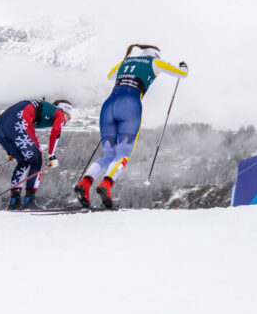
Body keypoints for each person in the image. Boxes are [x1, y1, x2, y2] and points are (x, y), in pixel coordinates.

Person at [75, 44, 188, 209]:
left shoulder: (127, 61)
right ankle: (106, 184)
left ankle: (85, 183)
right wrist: (183, 66)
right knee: (123, 153)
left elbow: (109, 76)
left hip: (108, 106)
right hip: (130, 104)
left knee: (108, 155)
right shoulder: (155, 62)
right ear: (156, 55)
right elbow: (182, 74)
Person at [0, 98, 72, 210]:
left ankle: (14, 201)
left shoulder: (47, 110)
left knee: (24, 161)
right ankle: (29, 201)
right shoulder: (59, 112)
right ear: (65, 111)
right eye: (69, 116)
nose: (67, 121)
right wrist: (52, 155)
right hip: (19, 121)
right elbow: (56, 131)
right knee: (36, 160)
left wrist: (11, 151)